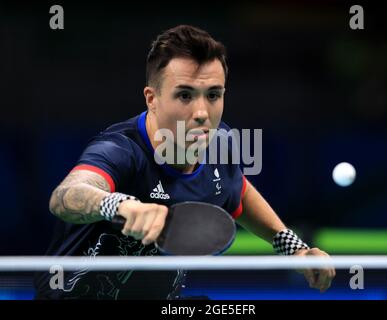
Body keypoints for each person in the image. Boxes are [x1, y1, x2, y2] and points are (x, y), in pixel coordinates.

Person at [34, 24, 335, 299]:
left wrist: (295, 249)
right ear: (152, 98)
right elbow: (65, 196)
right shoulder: (121, 149)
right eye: (185, 96)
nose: (203, 112)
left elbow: (238, 190)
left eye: (213, 95)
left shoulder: (220, 143)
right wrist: (120, 205)